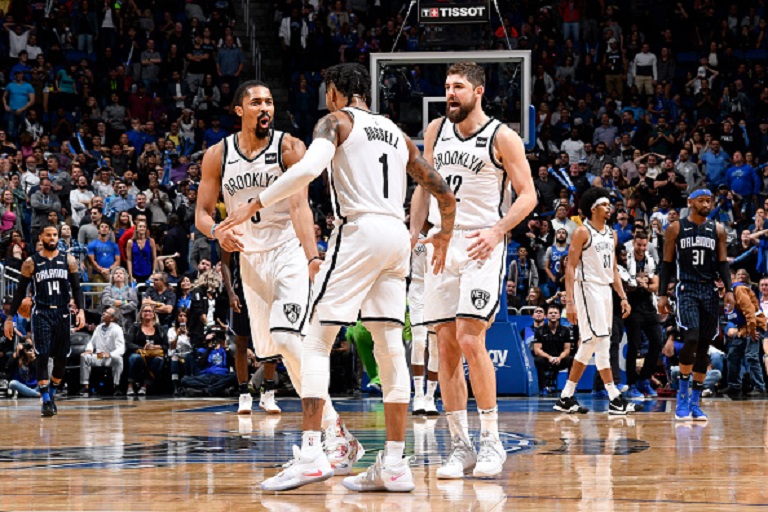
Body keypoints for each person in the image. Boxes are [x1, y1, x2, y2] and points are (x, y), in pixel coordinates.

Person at [215, 66, 455, 492]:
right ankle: (396, 465)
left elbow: (308, 171)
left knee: (314, 339)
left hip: (360, 229)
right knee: (388, 345)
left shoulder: (336, 121)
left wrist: (254, 202)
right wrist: (446, 231)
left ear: (336, 93)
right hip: (397, 235)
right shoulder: (397, 134)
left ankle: (312, 454)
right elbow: (440, 188)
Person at [406, 61, 534, 480]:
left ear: (478, 91)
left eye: (458, 86)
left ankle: (491, 442)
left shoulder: (502, 135)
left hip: (481, 242)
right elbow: (425, 187)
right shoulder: (435, 131)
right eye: (446, 86)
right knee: (444, 345)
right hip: (441, 242)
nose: (450, 93)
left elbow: (528, 195)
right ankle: (459, 447)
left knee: (468, 336)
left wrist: (498, 231)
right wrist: (412, 235)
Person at [554, 187, 637, 415]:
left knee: (591, 343)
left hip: (604, 290)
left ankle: (566, 396)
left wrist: (622, 296)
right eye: (604, 204)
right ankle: (614, 397)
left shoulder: (612, 233)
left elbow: (613, 269)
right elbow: (569, 267)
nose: (609, 207)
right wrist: (569, 302)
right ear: (593, 208)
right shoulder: (582, 232)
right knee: (601, 340)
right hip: (586, 287)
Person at [657, 187, 735, 421]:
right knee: (691, 338)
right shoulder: (676, 228)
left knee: (703, 345)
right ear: (690, 202)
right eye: (701, 200)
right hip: (687, 287)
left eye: (709, 201)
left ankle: (695, 401)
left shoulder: (717, 229)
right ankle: (682, 393)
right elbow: (667, 264)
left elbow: (722, 262)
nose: (706, 204)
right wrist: (662, 294)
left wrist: (729, 290)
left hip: (710, 289)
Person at [4, 224, 86, 417]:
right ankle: (46, 401)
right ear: (40, 237)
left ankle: (52, 393)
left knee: (60, 359)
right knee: (42, 354)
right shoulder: (31, 263)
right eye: (48, 235)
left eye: (55, 235)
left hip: (63, 313)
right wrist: (10, 318)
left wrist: (81, 311)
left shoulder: (69, 259)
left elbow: (76, 288)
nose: (52, 238)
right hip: (41, 312)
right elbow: (18, 293)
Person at [221, 249, 280, 414]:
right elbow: (225, 261)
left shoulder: (266, 229)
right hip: (242, 289)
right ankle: (244, 394)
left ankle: (268, 393)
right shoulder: (235, 229)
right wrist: (231, 293)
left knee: (271, 341)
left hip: (267, 289)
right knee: (241, 342)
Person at [624, 231, 663, 398]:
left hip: (648, 305)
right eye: (639, 244)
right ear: (633, 244)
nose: (641, 247)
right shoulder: (626, 259)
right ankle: (632, 384)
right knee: (634, 346)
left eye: (644, 245)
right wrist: (635, 283)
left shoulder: (650, 259)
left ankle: (644, 380)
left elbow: (656, 285)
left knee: (657, 342)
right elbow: (623, 283)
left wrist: (646, 285)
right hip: (632, 306)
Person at [409, 227, 439, 416]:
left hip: (438, 290)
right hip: (418, 288)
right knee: (419, 341)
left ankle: (430, 397)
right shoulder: (412, 234)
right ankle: (418, 395)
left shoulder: (443, 229)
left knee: (435, 345)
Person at [79, 307, 125, 396]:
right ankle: (85, 386)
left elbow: (121, 348)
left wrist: (110, 354)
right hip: (100, 356)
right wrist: (89, 350)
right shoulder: (99, 327)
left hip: (110, 357)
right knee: (85, 357)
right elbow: (92, 342)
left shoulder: (117, 329)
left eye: (106, 313)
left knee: (118, 359)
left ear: (112, 318)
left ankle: (116, 385)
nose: (103, 313)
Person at [125, 303, 169, 396]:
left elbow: (166, 346)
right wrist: (143, 348)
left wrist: (158, 346)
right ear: (141, 314)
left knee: (159, 360)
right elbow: (128, 343)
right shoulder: (135, 328)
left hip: (154, 354)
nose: (147, 313)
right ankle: (130, 385)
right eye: (145, 311)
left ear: (153, 314)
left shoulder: (159, 329)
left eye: (149, 311)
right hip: (139, 353)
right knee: (135, 357)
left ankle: (145, 385)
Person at [532, 304, 574, 393]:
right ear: (546, 316)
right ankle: (543, 388)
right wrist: (549, 357)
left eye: (555, 313)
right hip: (546, 359)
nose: (553, 315)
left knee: (571, 359)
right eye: (551, 313)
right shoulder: (540, 330)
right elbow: (537, 350)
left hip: (560, 359)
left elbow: (567, 349)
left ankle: (570, 387)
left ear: (559, 315)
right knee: (538, 360)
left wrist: (559, 358)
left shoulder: (565, 330)